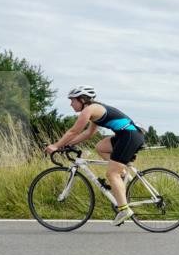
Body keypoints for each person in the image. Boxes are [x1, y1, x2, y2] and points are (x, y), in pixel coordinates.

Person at [45, 86, 145, 225]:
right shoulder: (94, 110)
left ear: (82, 100)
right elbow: (88, 134)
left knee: (111, 174)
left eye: (73, 100)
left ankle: (124, 209)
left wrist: (56, 146)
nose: (71, 104)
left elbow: (74, 131)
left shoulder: (89, 110)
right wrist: (64, 145)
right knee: (100, 147)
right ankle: (122, 173)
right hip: (126, 135)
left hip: (128, 136)